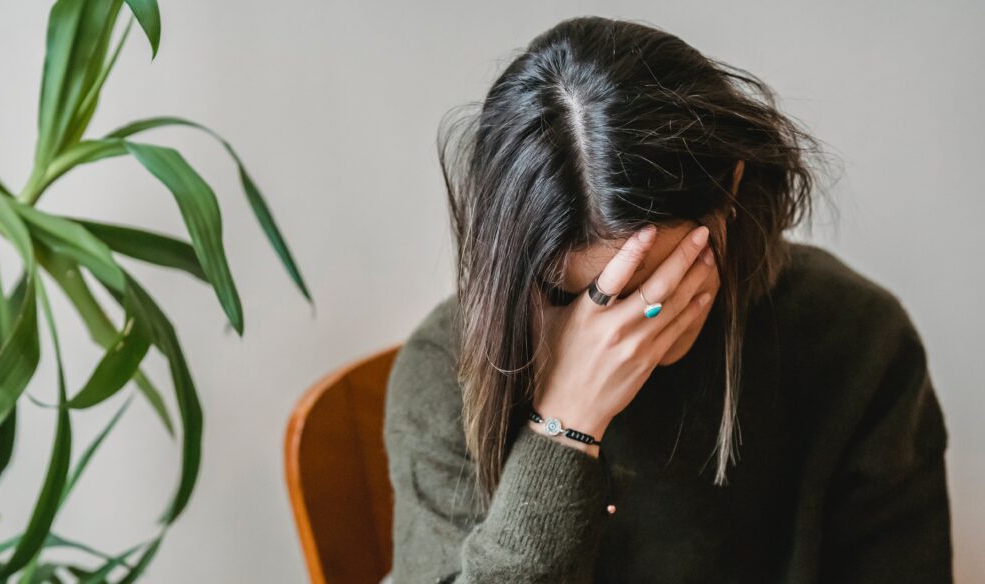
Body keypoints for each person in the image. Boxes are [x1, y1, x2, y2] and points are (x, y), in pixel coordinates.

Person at [383, 15, 952, 583]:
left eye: (656, 282)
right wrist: (563, 428)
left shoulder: (857, 340)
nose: (620, 333)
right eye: (572, 295)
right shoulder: (444, 374)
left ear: (730, 184)